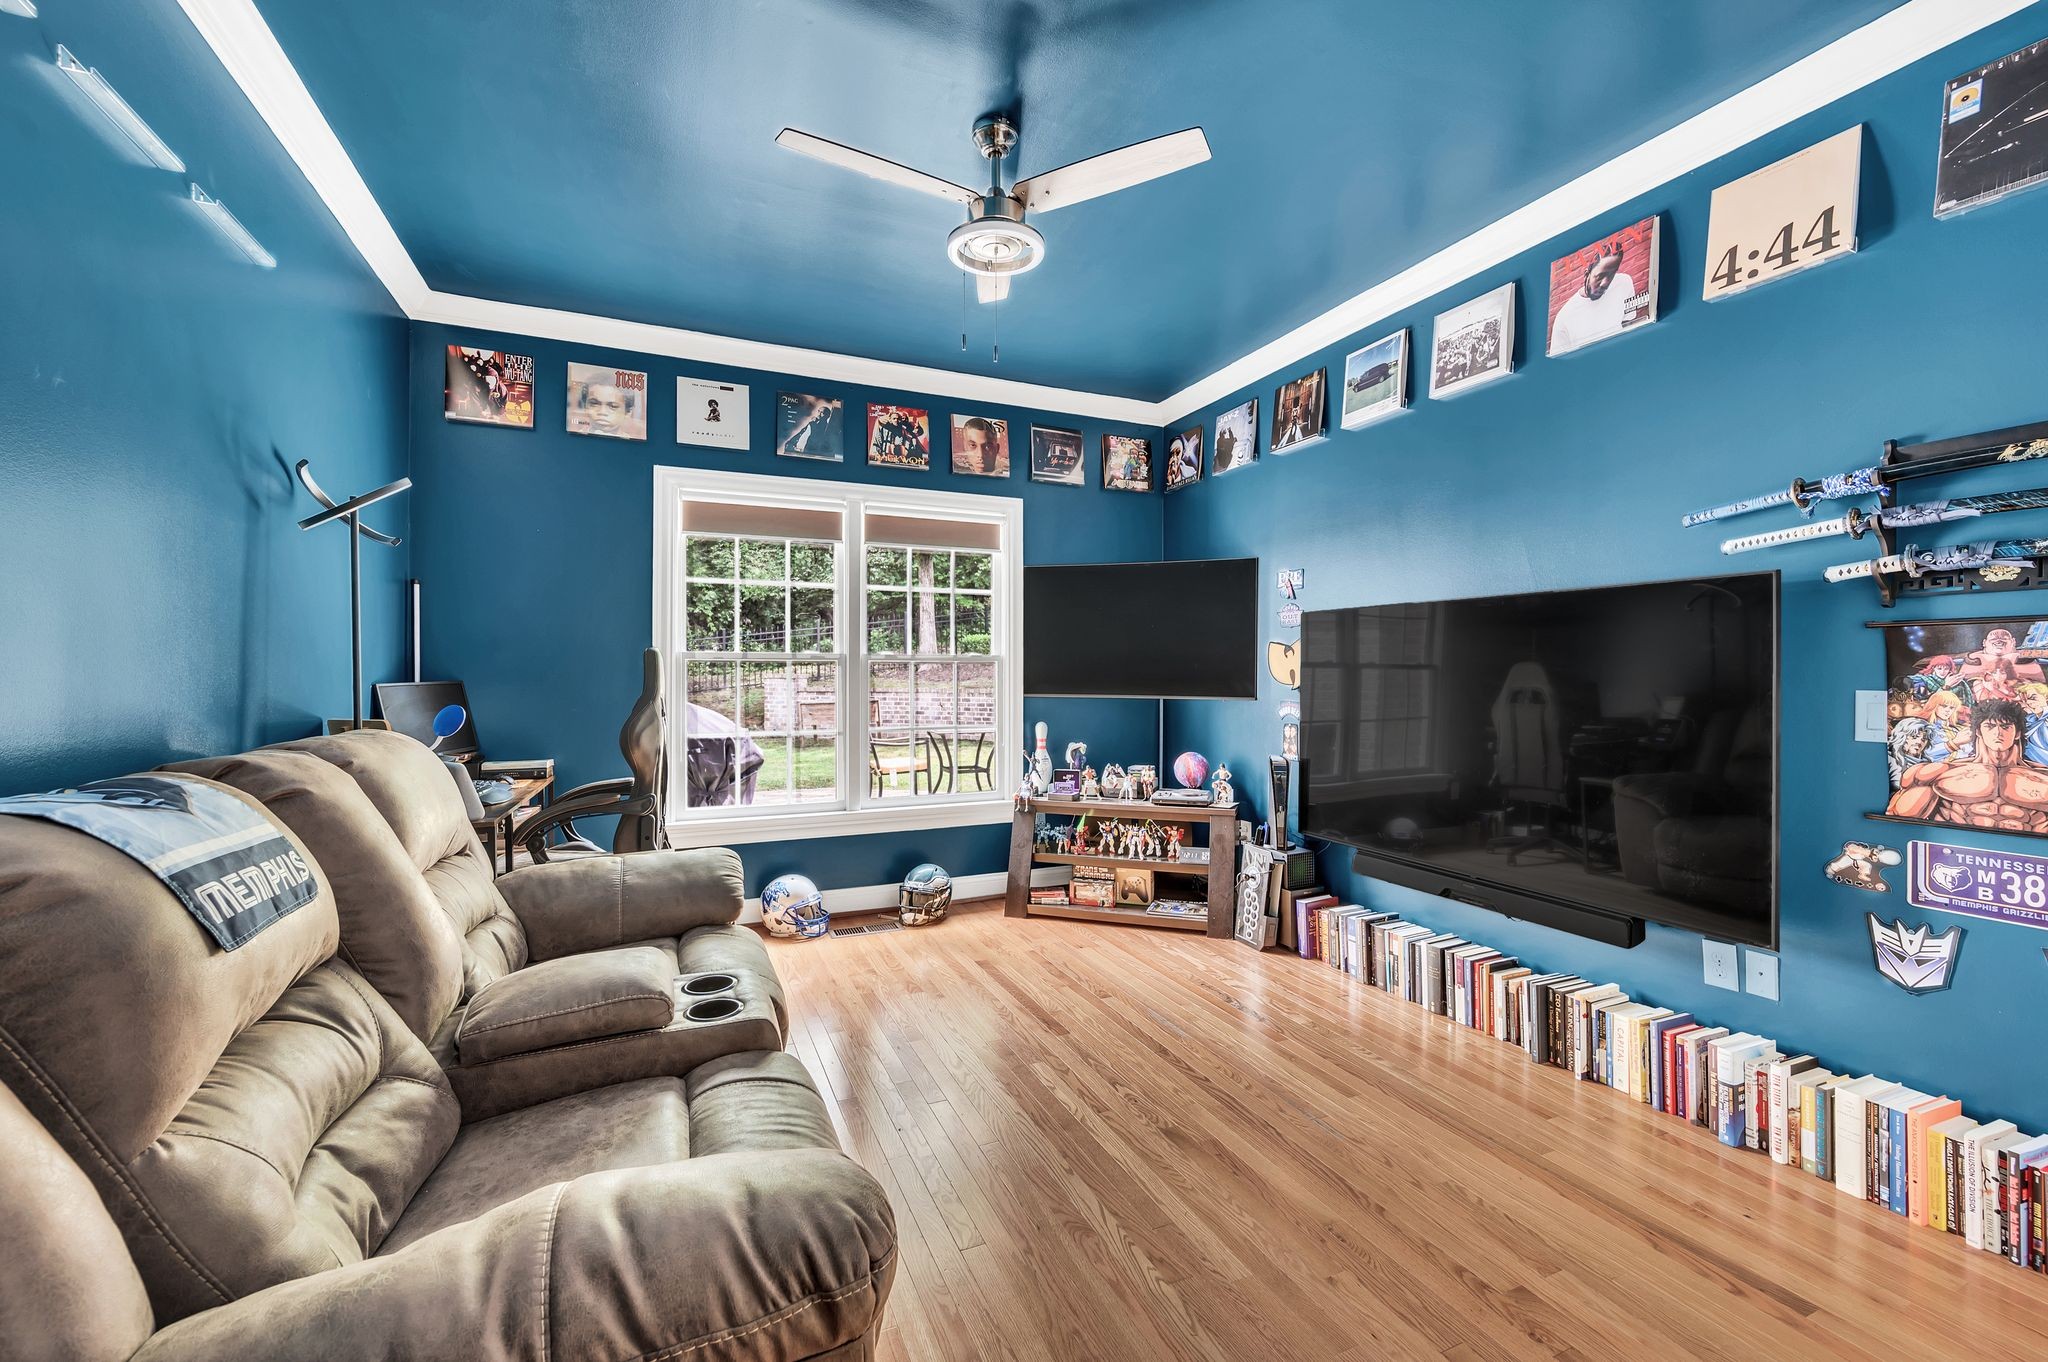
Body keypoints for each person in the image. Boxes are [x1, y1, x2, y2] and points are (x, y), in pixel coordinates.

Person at [1886, 698, 2048, 831]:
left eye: (2005, 727)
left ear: (2017, 733)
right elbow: (1897, 818)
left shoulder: (2043, 777)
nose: (1998, 733)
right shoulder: (1940, 772)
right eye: (1990, 726)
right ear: (1978, 731)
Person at [1549, 243, 1635, 352]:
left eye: (1611, 275)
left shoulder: (1624, 282)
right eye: (1599, 276)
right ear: (1587, 274)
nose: (1605, 283)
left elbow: (1629, 325)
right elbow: (1559, 365)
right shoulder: (1564, 318)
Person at [1887, 717, 1933, 786]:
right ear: (1901, 737)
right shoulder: (1890, 759)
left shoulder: (1928, 764)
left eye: (1924, 739)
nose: (1919, 742)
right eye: (1914, 737)